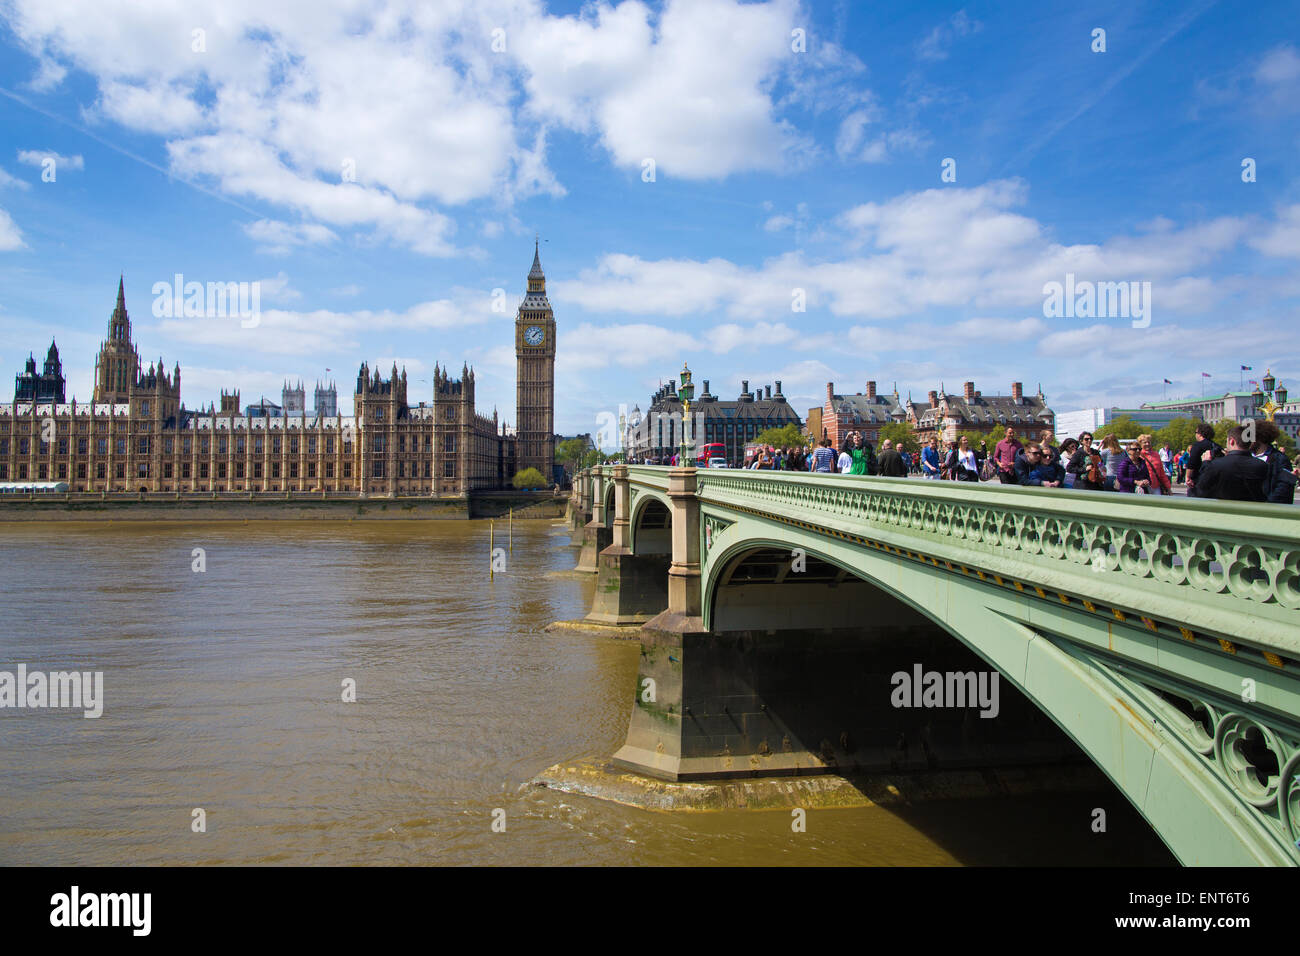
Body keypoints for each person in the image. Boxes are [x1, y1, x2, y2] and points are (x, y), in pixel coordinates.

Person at [1196, 425, 1268, 501]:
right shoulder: (1262, 465)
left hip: (1225, 509)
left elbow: (1201, 489)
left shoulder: (1216, 465)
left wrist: (1205, 463)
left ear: (1231, 441)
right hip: (1254, 509)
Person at [1251, 420, 1297, 505]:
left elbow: (1283, 490)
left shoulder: (1280, 459)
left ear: (1259, 438)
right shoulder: (1247, 457)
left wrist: (1267, 505)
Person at [1186, 421, 1222, 496]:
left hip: (1199, 480)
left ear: (1200, 433)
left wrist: (1188, 477)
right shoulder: (1216, 446)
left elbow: (1192, 463)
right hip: (1215, 482)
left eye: (1196, 433)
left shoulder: (1197, 446)